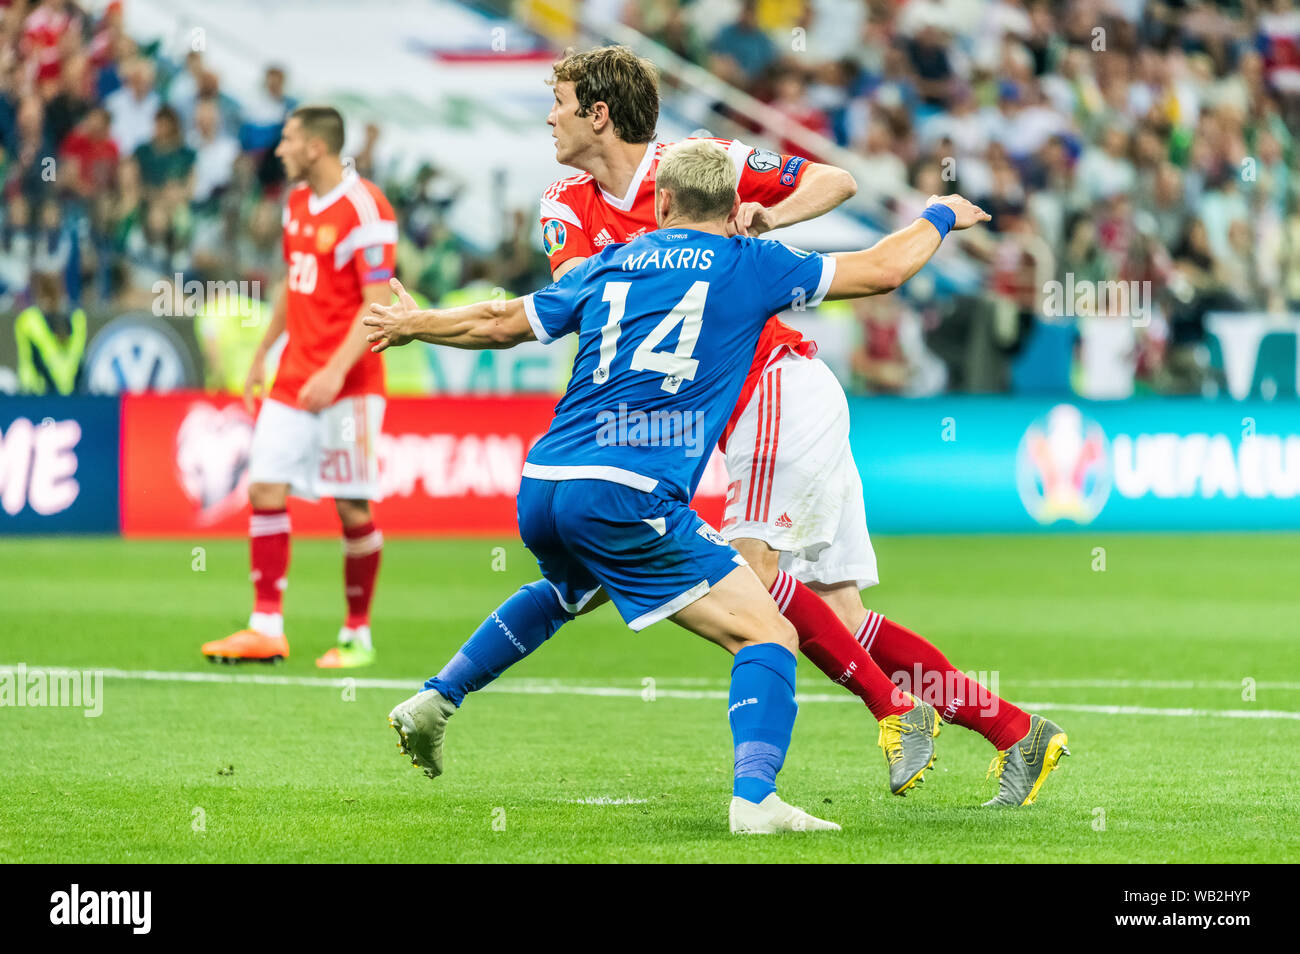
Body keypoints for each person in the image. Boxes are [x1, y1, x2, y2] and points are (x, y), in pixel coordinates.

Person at [406, 46, 1071, 807]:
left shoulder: (703, 165)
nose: (547, 116)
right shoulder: (568, 206)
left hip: (775, 386)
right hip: (734, 413)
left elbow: (837, 180)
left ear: (598, 113)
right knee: (835, 617)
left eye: (556, 101)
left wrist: (765, 219)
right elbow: (595, 312)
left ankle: (890, 712)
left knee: (750, 577)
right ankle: (1015, 730)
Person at [200, 106, 396, 670]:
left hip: (351, 382)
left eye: (287, 140)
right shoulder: (295, 203)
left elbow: (376, 302)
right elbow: (294, 280)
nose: (278, 150)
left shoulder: (366, 207)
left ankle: (357, 632)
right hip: (293, 376)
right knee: (264, 488)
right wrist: (264, 351)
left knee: (352, 506)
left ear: (315, 147)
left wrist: (335, 371)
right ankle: (266, 627)